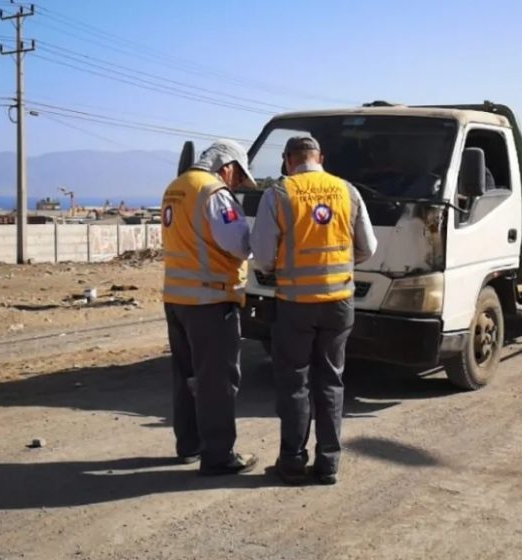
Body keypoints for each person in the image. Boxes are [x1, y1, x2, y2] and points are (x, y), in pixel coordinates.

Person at [251, 136, 378, 485]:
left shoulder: (278, 194)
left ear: (287, 160)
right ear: (320, 157)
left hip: (295, 304)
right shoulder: (346, 191)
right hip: (338, 302)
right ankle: (328, 464)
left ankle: (292, 461)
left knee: (294, 382)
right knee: (330, 381)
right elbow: (368, 247)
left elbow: (261, 256)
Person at [160, 139, 258, 476]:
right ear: (226, 166)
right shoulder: (214, 193)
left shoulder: (175, 188)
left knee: (186, 375)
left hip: (176, 298)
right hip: (211, 299)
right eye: (237, 177)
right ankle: (218, 455)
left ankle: (188, 445)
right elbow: (239, 244)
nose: (235, 185)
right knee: (216, 381)